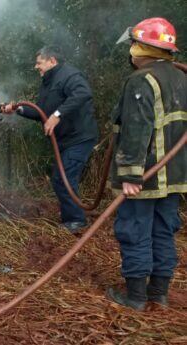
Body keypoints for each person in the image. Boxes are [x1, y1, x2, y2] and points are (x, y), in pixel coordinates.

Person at [105, 17, 186, 311]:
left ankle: (136, 297)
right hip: (175, 174)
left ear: (142, 48)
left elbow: (136, 128)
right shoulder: (180, 79)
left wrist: (130, 173)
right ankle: (159, 294)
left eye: (133, 46)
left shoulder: (142, 80)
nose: (131, 52)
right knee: (163, 230)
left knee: (135, 228)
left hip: (146, 175)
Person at [3, 46, 99, 234]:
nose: (36, 66)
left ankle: (76, 222)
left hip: (79, 138)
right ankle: (71, 219)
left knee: (64, 178)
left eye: (39, 62)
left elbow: (83, 93)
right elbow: (41, 112)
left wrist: (57, 115)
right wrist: (18, 109)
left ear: (52, 61)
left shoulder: (69, 75)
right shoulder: (48, 83)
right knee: (60, 178)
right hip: (65, 141)